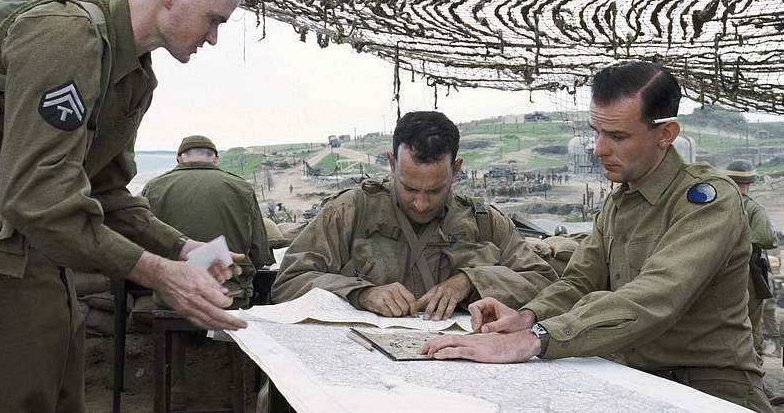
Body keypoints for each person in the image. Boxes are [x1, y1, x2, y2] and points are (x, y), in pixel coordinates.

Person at [0, 0, 251, 411]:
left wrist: (181, 248)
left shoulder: (134, 77)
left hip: (36, 261)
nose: (213, 38)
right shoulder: (65, 34)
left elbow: (105, 194)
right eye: (213, 20)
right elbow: (38, 196)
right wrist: (158, 273)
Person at [421, 61, 773, 413]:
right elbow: (579, 282)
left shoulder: (708, 201)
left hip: (710, 389)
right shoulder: (620, 201)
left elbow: (655, 295)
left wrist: (534, 339)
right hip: (634, 377)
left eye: (618, 136)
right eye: (596, 132)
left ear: (666, 134)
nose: (599, 149)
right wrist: (526, 317)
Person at [272, 110, 558, 320]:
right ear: (392, 163)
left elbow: (543, 282)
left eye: (435, 190)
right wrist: (362, 294)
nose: (421, 204)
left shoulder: (484, 221)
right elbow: (289, 283)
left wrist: (471, 281)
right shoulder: (350, 211)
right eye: (409, 188)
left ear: (456, 170)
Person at [141, 135, 272, 409]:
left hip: (174, 293)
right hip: (229, 293)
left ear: (179, 158)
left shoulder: (154, 188)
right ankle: (234, 389)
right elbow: (260, 254)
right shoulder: (241, 188)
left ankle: (176, 390)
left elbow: (141, 246)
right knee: (237, 299)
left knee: (173, 297)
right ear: (215, 158)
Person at [725, 159, 779, 361]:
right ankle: (754, 364)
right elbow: (766, 239)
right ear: (749, 182)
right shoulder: (753, 208)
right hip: (747, 270)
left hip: (716, 270)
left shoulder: (715, 204)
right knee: (751, 322)